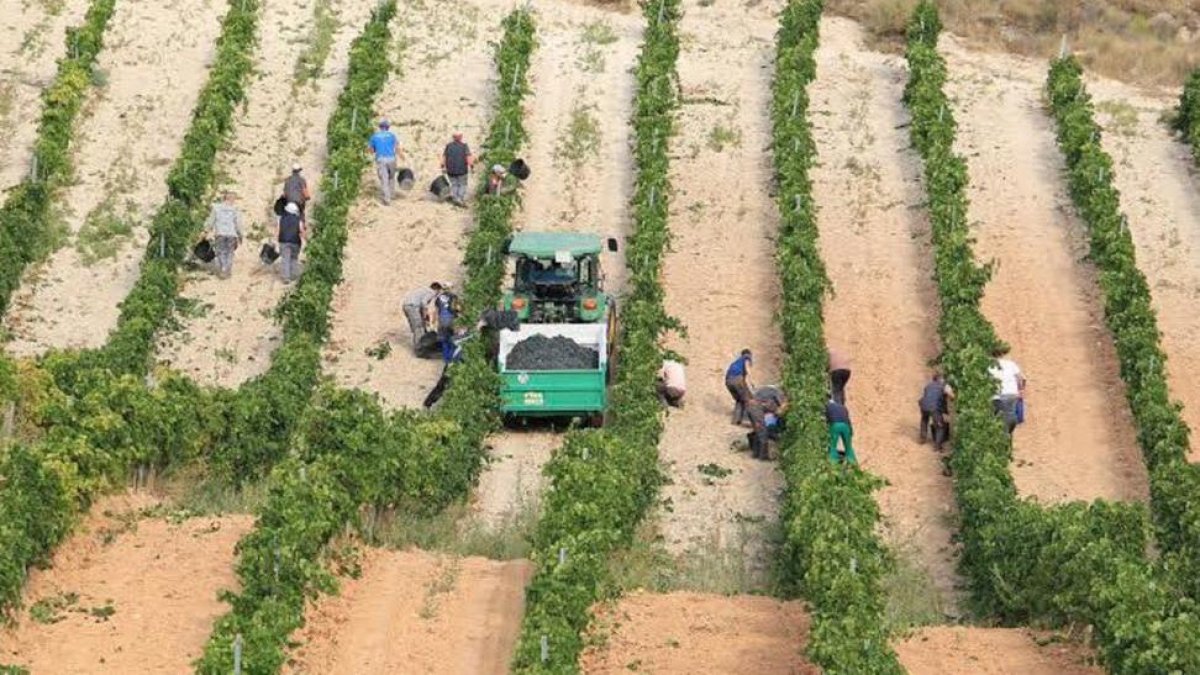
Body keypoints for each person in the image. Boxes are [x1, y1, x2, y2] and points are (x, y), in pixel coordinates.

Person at [987, 345, 1025, 434]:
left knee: (997, 418)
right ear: (1002, 354)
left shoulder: (989, 366)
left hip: (997, 396)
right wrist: (1021, 390)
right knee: (1010, 414)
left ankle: (1002, 436)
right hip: (1012, 394)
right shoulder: (1011, 364)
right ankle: (1007, 433)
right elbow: (1021, 378)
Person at [205, 191, 243, 279]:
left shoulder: (216, 208)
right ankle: (227, 270)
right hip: (231, 234)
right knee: (230, 252)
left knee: (221, 251)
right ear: (232, 199)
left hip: (220, 233)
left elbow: (210, 221)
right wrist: (240, 235)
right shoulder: (235, 209)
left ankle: (223, 268)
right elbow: (238, 224)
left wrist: (206, 231)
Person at [746, 385, 788, 460]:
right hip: (756, 409)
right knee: (763, 432)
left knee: (758, 431)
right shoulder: (777, 392)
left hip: (750, 407)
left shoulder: (767, 390)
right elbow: (782, 408)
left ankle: (755, 454)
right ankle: (763, 456)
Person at [918, 370, 955, 451]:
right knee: (940, 426)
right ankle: (937, 446)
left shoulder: (928, 385)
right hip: (934, 407)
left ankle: (922, 438)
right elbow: (952, 396)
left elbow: (927, 395)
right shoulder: (945, 386)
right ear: (941, 378)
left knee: (924, 420)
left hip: (924, 405)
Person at [368, 119, 402, 205]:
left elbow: (371, 150)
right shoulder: (392, 135)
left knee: (384, 179)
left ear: (380, 127)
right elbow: (397, 147)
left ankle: (387, 199)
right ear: (388, 127)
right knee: (391, 177)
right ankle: (392, 194)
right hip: (391, 158)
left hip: (381, 159)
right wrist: (402, 156)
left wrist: (374, 150)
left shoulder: (374, 136)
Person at [403, 282, 441, 349]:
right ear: (436, 289)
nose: (437, 294)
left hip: (406, 306)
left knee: (416, 326)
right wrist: (424, 314)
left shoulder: (424, 290)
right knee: (419, 326)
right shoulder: (432, 292)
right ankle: (420, 347)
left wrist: (424, 317)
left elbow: (421, 305)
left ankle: (419, 344)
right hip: (412, 306)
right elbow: (423, 303)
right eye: (438, 292)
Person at [441, 131, 474, 205]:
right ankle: (460, 198)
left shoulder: (448, 146)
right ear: (461, 137)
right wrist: (471, 166)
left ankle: (455, 198)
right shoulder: (464, 146)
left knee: (454, 184)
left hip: (450, 170)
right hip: (462, 170)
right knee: (462, 184)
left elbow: (444, 157)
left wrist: (442, 166)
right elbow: (468, 157)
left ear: (453, 138)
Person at [277, 201, 306, 283]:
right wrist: (306, 239)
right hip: (295, 242)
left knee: (285, 259)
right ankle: (293, 275)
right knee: (294, 258)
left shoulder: (281, 219)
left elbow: (279, 230)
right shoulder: (298, 220)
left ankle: (286, 277)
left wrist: (278, 240)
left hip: (283, 241)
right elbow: (301, 231)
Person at [725, 349, 754, 425]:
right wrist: (752, 383)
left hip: (728, 382)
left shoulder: (736, 362)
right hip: (737, 380)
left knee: (739, 400)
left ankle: (736, 421)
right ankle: (751, 420)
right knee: (749, 399)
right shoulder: (746, 358)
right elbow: (747, 370)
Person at [826, 395, 856, 464]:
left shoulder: (827, 406)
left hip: (835, 425)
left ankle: (832, 464)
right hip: (846, 426)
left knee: (833, 446)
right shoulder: (843, 407)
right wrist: (851, 431)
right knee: (849, 448)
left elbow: (826, 419)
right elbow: (848, 419)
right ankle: (853, 464)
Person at [433, 283, 459, 362]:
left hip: (441, 320)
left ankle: (446, 358)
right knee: (452, 338)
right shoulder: (454, 297)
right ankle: (451, 358)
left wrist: (434, 322)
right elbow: (457, 308)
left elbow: (436, 311)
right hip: (451, 320)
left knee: (444, 340)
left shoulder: (438, 298)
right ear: (450, 288)